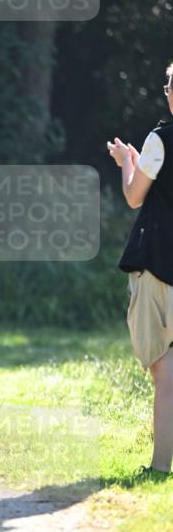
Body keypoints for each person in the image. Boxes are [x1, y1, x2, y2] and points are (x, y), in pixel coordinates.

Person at [107, 61, 173, 476]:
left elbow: (134, 196)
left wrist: (125, 161)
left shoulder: (160, 139)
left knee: (164, 372)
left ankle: (161, 466)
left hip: (157, 268)